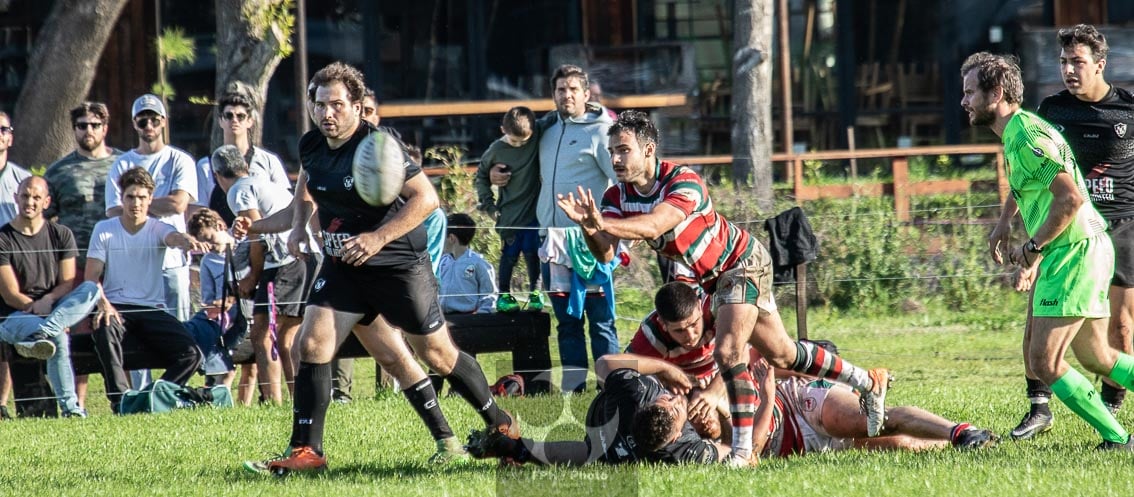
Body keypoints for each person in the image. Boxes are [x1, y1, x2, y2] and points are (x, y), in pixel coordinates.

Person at [556, 110, 891, 465]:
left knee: (728, 352)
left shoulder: (682, 181)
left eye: (623, 150)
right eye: (611, 152)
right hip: (716, 281)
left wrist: (603, 222)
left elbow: (656, 225)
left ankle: (743, 454)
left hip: (742, 262)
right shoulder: (616, 198)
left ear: (649, 149)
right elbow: (606, 251)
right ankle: (867, 381)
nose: (616, 159)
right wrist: (589, 228)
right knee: (783, 355)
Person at [240, 62, 514, 474]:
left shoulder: (380, 146)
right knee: (311, 345)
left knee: (437, 355)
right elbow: (307, 189)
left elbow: (427, 199)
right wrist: (290, 225)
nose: (327, 113)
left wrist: (377, 237)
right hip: (345, 266)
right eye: (319, 105)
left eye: (336, 105)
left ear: (357, 106)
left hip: (397, 265)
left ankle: (503, 427)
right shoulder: (312, 145)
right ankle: (306, 452)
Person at [968, 51, 1134, 450]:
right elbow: (1032, 188)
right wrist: (1005, 223)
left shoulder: (1026, 136)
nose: (963, 101)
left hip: (1075, 251)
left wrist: (1032, 246)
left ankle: (1116, 437)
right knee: (1098, 357)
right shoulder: (1018, 131)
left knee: (1045, 360)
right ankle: (1117, 436)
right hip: (1085, 247)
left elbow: (1070, 199)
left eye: (970, 92)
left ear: (995, 94)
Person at [627, 282, 998, 454]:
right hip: (791, 433)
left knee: (862, 423)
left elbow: (756, 361)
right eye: (680, 331)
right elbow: (750, 448)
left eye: (694, 324)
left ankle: (961, 433)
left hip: (795, 400)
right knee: (895, 444)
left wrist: (686, 381)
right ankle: (965, 444)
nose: (691, 335)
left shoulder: (721, 311)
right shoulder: (690, 444)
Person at [85, 167, 207, 413]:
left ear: (151, 199)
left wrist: (186, 241)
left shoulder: (156, 228)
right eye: (130, 197)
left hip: (151, 309)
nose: (136, 203)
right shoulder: (105, 229)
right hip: (116, 306)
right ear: (122, 198)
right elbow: (91, 276)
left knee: (192, 353)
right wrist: (104, 303)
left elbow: (172, 237)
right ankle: (121, 402)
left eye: (142, 197)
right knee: (104, 328)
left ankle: (154, 398)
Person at [467, 353, 727, 465]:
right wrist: (721, 413)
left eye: (670, 401)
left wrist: (662, 369)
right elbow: (738, 453)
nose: (676, 399)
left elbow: (603, 364)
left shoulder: (638, 393)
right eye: (674, 401)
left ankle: (519, 447)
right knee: (593, 453)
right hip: (609, 433)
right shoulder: (686, 451)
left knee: (592, 453)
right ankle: (518, 447)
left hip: (604, 426)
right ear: (677, 436)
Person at [535, 64, 619, 392]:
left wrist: (615, 232)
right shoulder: (547, 130)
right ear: (553, 94)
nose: (566, 95)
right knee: (567, 322)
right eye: (560, 89)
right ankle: (574, 388)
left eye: (573, 89)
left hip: (591, 243)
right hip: (552, 243)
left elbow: (616, 183)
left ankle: (611, 386)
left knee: (600, 320)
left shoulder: (601, 131)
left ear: (586, 94)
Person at [43, 101, 123, 412]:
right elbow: (45, 219)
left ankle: (128, 398)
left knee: (117, 327)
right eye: (81, 125)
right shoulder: (59, 171)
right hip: (75, 264)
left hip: (116, 261)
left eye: (93, 124)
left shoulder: (121, 164)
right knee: (78, 335)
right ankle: (77, 404)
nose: (87, 130)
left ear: (105, 127)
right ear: (74, 130)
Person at [0, 177, 101, 418]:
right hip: (15, 317)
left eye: (36, 197)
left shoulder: (61, 234)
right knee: (58, 337)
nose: (30, 202)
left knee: (91, 288)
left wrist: (50, 303)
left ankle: (45, 330)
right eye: (25, 196)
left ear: (46, 202)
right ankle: (71, 409)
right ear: (16, 198)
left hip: (53, 309)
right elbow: (10, 293)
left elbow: (67, 282)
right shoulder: (3, 238)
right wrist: (44, 311)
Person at [212, 144, 306, 404]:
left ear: (218, 175)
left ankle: (282, 400)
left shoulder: (238, 191)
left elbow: (258, 233)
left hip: (284, 261)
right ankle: (288, 399)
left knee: (270, 335)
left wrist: (253, 275)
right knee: (275, 335)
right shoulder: (262, 183)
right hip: (300, 257)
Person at [105, 94, 197, 322]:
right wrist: (157, 205)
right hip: (133, 261)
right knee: (138, 331)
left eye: (154, 120)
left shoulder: (179, 160)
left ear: (164, 121)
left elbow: (178, 204)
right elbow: (112, 211)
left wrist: (134, 204)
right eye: (142, 120)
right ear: (134, 124)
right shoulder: (122, 164)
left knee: (180, 328)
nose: (148, 125)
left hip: (172, 262)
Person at [475, 106, 542, 310]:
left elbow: (554, 118)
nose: (520, 145)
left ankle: (536, 293)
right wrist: (489, 205)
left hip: (533, 213)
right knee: (509, 255)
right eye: (514, 141)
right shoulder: (496, 150)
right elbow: (481, 176)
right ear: (503, 130)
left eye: (525, 141)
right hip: (509, 215)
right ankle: (504, 295)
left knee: (533, 253)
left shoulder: (536, 135)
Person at [195, 91, 291, 224]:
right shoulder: (206, 165)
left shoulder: (268, 160)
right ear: (220, 120)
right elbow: (199, 209)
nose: (234, 120)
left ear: (250, 121)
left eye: (240, 116)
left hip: (265, 236)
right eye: (228, 115)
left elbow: (283, 202)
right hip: (222, 239)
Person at [0, 111, 32, 420]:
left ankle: (2, 403)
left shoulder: (22, 181)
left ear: (10, 136)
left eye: (2, 129)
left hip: (11, 267)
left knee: (6, 336)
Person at [437, 213, 497, 314]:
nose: (440, 241)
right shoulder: (442, 262)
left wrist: (479, 317)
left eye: (442, 236)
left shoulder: (479, 263)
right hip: (442, 319)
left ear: (452, 238)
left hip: (468, 319)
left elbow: (489, 295)